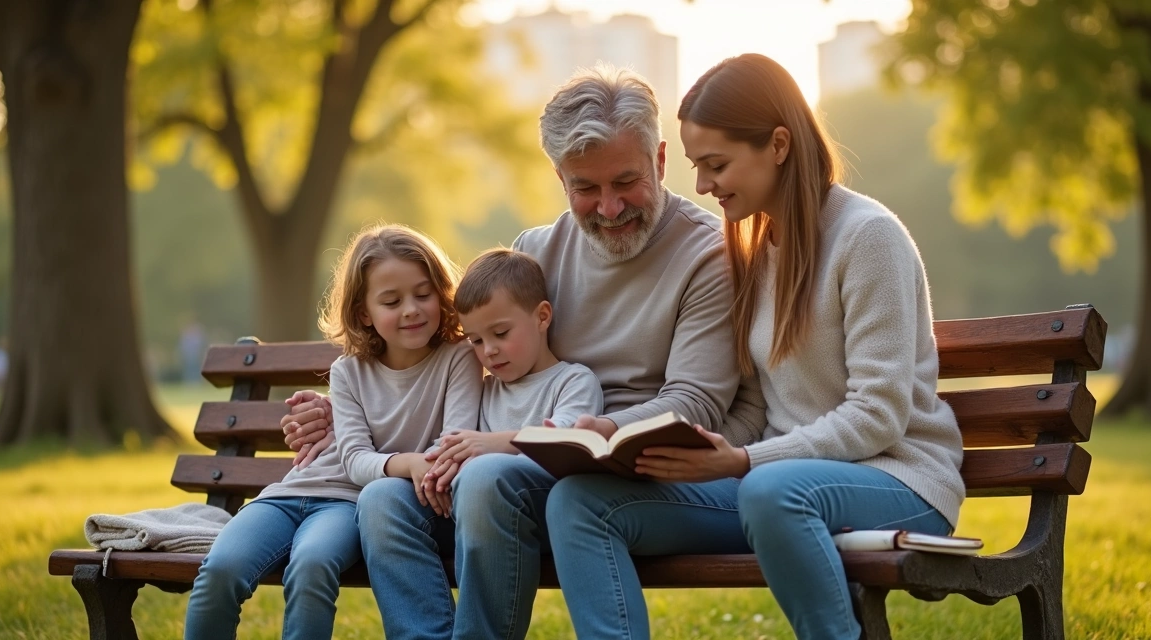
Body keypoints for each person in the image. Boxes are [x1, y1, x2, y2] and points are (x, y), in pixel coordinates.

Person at [281, 64, 763, 640]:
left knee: (487, 479)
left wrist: (582, 432)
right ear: (560, 178)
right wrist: (349, 404)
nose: (609, 208)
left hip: (646, 472)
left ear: (660, 161)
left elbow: (696, 404)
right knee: (386, 497)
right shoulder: (537, 251)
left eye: (626, 181)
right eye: (586, 188)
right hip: (535, 465)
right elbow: (465, 347)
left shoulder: (707, 255)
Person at [545, 53, 967, 640]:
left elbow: (880, 415)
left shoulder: (868, 237)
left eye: (716, 164)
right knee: (580, 502)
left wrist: (745, 463)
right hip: (775, 487)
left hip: (896, 479)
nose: (700, 186)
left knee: (773, 491)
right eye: (696, 165)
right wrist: (701, 452)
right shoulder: (754, 250)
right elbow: (757, 406)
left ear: (777, 144)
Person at [183, 224, 482, 640]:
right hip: (287, 495)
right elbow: (354, 456)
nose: (411, 309)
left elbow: (452, 442)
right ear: (364, 313)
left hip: (347, 506)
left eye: (423, 294)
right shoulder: (347, 370)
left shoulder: (458, 360)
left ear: (441, 292)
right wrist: (409, 462)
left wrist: (417, 463)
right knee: (220, 569)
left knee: (311, 565)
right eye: (391, 301)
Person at [354, 247, 605, 637]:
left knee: (485, 475)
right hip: (464, 512)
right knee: (380, 499)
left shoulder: (573, 381)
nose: (488, 351)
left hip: (536, 515)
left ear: (542, 317)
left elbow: (567, 439)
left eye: (501, 334)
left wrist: (492, 444)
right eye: (475, 340)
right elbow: (450, 439)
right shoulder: (484, 387)